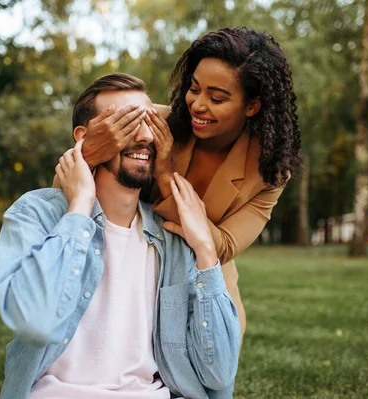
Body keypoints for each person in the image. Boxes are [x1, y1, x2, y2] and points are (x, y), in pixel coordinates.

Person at [0, 73, 240, 399]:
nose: (146, 134)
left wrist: (206, 250)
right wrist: (79, 207)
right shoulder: (35, 214)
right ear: (85, 137)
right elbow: (36, 322)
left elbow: (219, 375)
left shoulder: (175, 239)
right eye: (125, 121)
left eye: (150, 120)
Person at [58, 27, 301, 342]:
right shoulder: (153, 123)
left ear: (252, 105)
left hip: (200, 288)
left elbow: (224, 246)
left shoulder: (269, 170)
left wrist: (165, 176)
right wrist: (89, 150)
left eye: (216, 98)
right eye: (194, 88)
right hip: (124, 272)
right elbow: (63, 184)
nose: (197, 105)